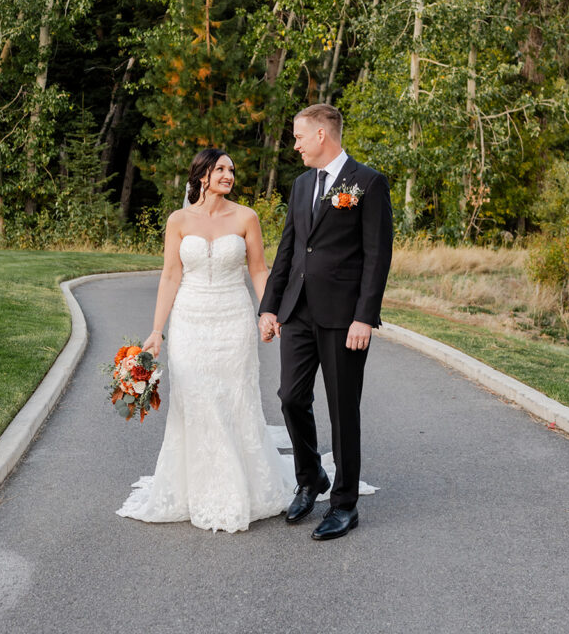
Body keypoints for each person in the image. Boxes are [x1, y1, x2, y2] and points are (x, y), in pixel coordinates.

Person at [116, 148, 290, 533]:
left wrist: (268, 312)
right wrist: (157, 330)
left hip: (233, 319)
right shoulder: (178, 221)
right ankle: (198, 488)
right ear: (202, 175)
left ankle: (239, 487)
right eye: (221, 169)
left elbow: (259, 269)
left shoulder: (246, 217)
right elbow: (170, 275)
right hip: (190, 322)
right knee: (195, 399)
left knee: (234, 399)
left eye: (232, 169)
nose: (229, 175)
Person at [258, 104, 393, 541]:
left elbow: (377, 256)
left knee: (342, 409)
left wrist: (364, 317)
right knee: (290, 397)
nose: (295, 145)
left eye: (299, 137)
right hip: (297, 311)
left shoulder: (368, 182)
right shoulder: (301, 185)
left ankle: (344, 504)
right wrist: (269, 306)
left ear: (321, 134)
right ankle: (311, 476)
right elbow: (289, 250)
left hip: (343, 318)